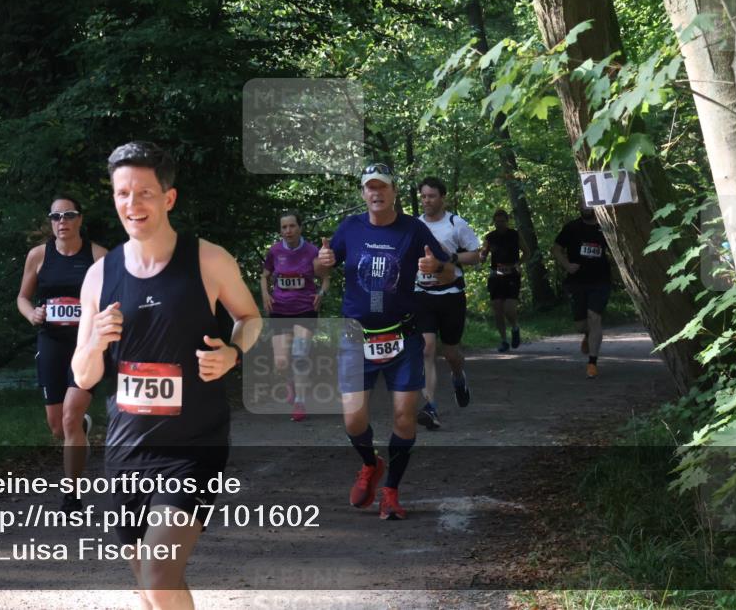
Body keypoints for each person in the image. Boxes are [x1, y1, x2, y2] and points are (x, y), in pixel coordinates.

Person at [71, 141, 261, 610]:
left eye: (145, 193)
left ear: (168, 198)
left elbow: (250, 319)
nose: (132, 205)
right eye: (122, 194)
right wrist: (95, 341)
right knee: (153, 582)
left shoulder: (208, 260)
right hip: (127, 446)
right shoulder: (99, 275)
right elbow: (83, 373)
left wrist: (234, 352)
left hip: (194, 445)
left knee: (157, 573)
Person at [315, 163, 451, 520]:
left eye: (383, 188)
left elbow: (448, 268)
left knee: (404, 417)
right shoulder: (350, 229)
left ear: (393, 193)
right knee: (353, 420)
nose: (376, 193)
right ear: (363, 194)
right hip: (355, 336)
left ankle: (391, 490)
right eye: (369, 188)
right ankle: (369, 464)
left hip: (403, 336)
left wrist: (434, 267)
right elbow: (322, 268)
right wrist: (322, 262)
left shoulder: (413, 229)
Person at [17, 196, 107, 512]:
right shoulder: (38, 256)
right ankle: (79, 430)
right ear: (50, 222)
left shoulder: (98, 256)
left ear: (80, 219)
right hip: (51, 342)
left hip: (87, 344)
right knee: (58, 426)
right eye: (56, 216)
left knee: (69, 415)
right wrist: (32, 315)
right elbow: (23, 298)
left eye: (69, 215)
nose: (62, 221)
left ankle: (72, 496)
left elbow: (114, 300)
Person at [413, 177, 481, 431]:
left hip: (451, 294)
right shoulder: (415, 226)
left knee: (451, 354)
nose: (427, 201)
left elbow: (475, 255)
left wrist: (450, 256)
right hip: (422, 294)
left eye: (431, 196)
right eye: (423, 196)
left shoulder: (455, 223)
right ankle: (430, 406)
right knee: (427, 349)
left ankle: (458, 377)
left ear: (443, 197)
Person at [260, 210, 330, 422]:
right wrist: (265, 294)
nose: (288, 231)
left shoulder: (312, 251)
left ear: (300, 227)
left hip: (305, 310)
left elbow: (326, 279)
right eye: (284, 227)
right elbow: (264, 276)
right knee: (281, 362)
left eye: (292, 226)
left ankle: (300, 401)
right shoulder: (274, 251)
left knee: (300, 354)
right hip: (280, 310)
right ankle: (291, 382)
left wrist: (321, 293)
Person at [552, 203, 611, 379]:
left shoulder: (606, 226)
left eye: (589, 204)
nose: (586, 207)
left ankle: (592, 363)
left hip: (601, 280)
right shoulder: (572, 227)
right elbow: (556, 249)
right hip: (577, 282)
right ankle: (587, 334)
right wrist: (567, 265)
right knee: (581, 325)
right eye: (583, 204)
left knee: (595, 318)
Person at [480, 209, 524, 353]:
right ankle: (504, 340)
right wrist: (480, 257)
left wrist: (519, 263)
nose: (500, 224)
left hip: (512, 274)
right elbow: (483, 254)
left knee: (509, 309)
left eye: (502, 221)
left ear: (507, 221)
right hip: (496, 275)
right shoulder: (490, 237)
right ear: (494, 222)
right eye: (497, 222)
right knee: (497, 309)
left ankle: (515, 328)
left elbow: (527, 252)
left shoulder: (515, 234)